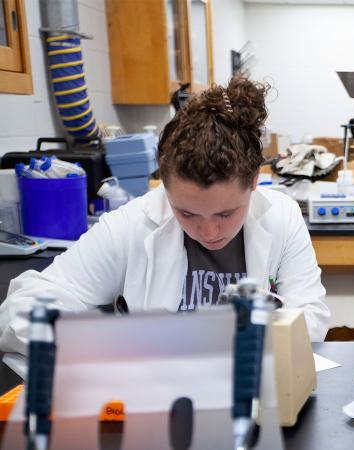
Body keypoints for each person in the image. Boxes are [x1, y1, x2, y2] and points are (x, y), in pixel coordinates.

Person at [0, 76, 330, 354]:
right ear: (164, 186)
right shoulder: (129, 226)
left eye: (227, 213)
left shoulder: (282, 216)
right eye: (186, 212)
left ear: (255, 181)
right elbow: (20, 311)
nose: (209, 231)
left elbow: (312, 318)